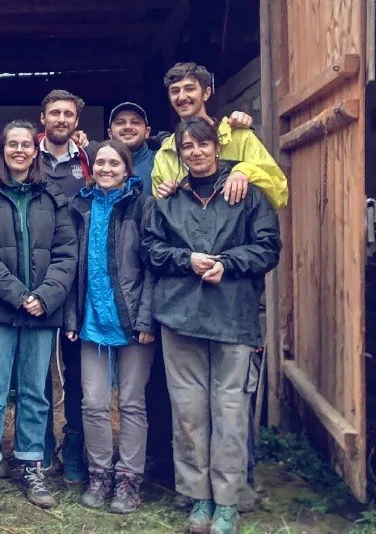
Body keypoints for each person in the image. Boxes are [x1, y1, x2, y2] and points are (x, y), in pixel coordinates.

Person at [143, 117, 281, 534]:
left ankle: (227, 502)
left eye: (203, 145)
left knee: (231, 411)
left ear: (217, 149)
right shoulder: (167, 200)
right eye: (188, 147)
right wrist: (186, 260)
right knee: (187, 413)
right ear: (179, 154)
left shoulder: (248, 196)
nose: (197, 152)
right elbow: (150, 247)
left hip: (232, 318)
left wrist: (229, 264)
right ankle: (198, 498)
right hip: (180, 317)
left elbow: (268, 247)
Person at [0, 120, 77, 510]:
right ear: (2, 149)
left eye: (27, 144)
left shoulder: (53, 197)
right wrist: (18, 295)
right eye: (13, 144)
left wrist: (45, 296)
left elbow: (66, 254)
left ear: (35, 150)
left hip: (42, 311)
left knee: (35, 392)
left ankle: (30, 464)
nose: (20, 150)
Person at [65, 140, 155, 515]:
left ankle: (129, 478)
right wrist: (71, 317)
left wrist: (148, 317)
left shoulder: (142, 206)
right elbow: (69, 267)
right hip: (91, 321)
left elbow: (154, 266)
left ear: (127, 168)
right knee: (94, 402)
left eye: (114, 162)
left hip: (134, 322)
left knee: (132, 403)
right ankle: (99, 472)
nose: (105, 168)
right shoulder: (79, 206)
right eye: (100, 161)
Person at [36, 89, 92, 483]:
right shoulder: (22, 152)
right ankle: (37, 444)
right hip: (36, 274)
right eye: (54, 112)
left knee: (75, 369)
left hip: (80, 277)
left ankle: (73, 445)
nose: (60, 119)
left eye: (67, 114)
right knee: (36, 369)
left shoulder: (89, 159)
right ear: (43, 117)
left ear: (76, 122)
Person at [152, 62, 288, 210]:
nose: (182, 97)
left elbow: (279, 192)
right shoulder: (164, 155)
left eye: (189, 89)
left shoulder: (239, 136)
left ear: (206, 93)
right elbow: (159, 214)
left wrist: (244, 171)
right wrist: (166, 195)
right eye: (175, 91)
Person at [107, 102, 158, 181]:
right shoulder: (99, 164)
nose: (128, 127)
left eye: (135, 122)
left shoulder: (161, 161)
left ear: (147, 132)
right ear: (110, 133)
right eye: (120, 122)